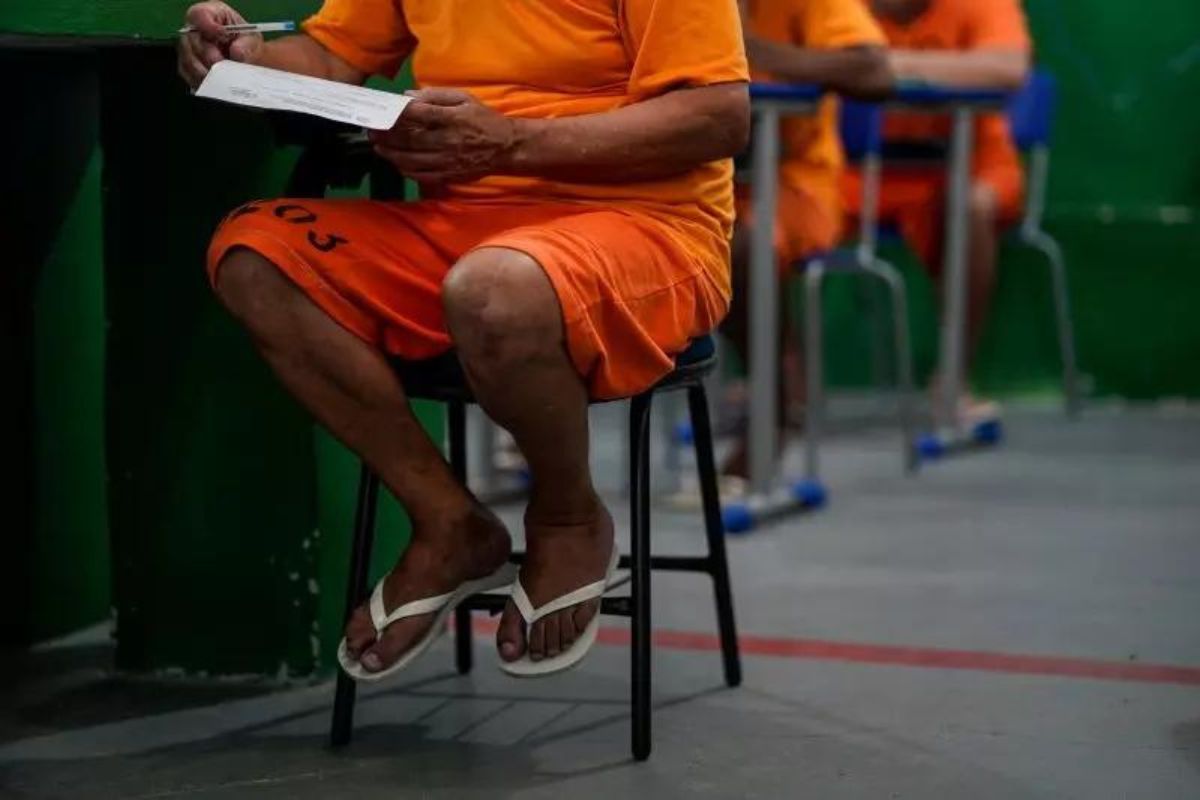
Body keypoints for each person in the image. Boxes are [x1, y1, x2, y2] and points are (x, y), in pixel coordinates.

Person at [176, 1, 749, 678]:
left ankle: (568, 519)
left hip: (649, 226)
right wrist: (242, 56)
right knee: (254, 257)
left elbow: (719, 116)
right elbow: (331, 57)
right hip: (464, 225)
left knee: (492, 290)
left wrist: (512, 142)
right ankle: (449, 521)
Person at [720, 0, 892, 481]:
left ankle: (772, 410)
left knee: (739, 244)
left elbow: (875, 71)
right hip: (702, 177)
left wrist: (758, 53)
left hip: (794, 181)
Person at [847, 0, 1032, 425]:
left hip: (966, 162)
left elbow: (1007, 69)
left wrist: (882, 66)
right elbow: (800, 63)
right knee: (767, 214)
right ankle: (780, 380)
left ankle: (953, 378)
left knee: (972, 206)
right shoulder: (837, 8)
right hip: (860, 171)